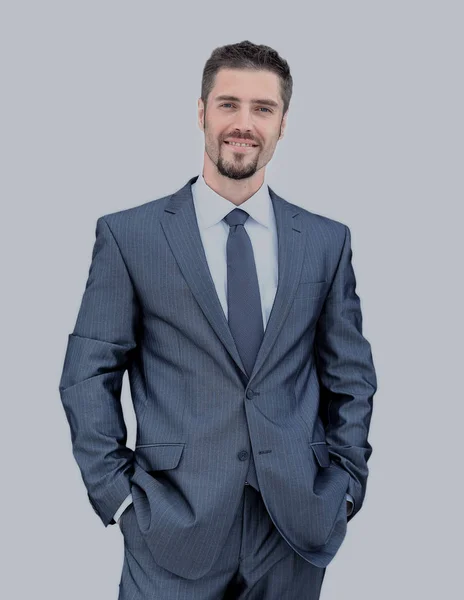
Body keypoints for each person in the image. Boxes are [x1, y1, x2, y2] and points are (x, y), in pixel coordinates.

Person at [59, 40, 378, 599]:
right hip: (171, 526)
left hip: (293, 528)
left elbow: (350, 375)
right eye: (229, 104)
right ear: (201, 111)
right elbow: (88, 374)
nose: (244, 124)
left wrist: (345, 487)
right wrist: (120, 497)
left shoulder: (326, 242)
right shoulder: (129, 236)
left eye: (263, 108)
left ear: (283, 123)